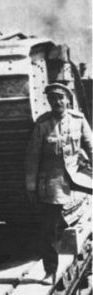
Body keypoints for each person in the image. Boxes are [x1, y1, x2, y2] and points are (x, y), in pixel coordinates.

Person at [25, 83, 92, 283]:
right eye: (53, 99)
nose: (57, 102)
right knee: (49, 227)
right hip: (53, 180)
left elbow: (91, 146)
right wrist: (31, 186)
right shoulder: (43, 124)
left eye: (60, 98)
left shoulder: (78, 121)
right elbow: (32, 157)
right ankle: (50, 270)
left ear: (68, 100)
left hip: (77, 174)